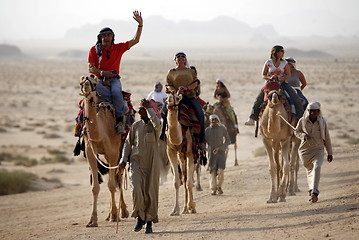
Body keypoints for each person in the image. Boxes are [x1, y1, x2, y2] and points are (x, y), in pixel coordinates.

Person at [88, 10, 143, 134]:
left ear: (112, 37)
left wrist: (140, 25)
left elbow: (135, 40)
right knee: (91, 90)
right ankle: (85, 125)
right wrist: (103, 73)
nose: (106, 38)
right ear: (100, 38)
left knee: (116, 92)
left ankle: (119, 120)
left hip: (114, 78)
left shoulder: (118, 48)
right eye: (104, 36)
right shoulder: (94, 50)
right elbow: (91, 68)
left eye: (109, 35)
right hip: (99, 78)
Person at [120, 98, 162, 234]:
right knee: (136, 190)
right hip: (136, 162)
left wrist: (149, 107)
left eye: (142, 109)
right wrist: (123, 159)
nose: (139, 111)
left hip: (151, 164)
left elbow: (157, 122)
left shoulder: (156, 127)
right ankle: (139, 217)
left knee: (150, 192)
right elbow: (128, 143)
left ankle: (149, 222)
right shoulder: (135, 126)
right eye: (140, 108)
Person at [244, 45, 304, 126]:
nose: (283, 53)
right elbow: (263, 75)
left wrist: (280, 79)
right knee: (258, 99)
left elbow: (288, 75)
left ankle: (300, 120)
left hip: (282, 84)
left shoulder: (284, 63)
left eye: (283, 51)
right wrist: (270, 77)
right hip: (270, 84)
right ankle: (252, 118)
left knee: (296, 98)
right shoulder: (268, 63)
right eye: (281, 51)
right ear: (276, 52)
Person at [294, 102, 333, 203]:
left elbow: (327, 138)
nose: (312, 113)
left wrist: (329, 152)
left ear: (318, 111)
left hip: (318, 149)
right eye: (310, 111)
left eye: (314, 111)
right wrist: (302, 135)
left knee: (317, 167)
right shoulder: (302, 121)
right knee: (310, 170)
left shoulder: (322, 122)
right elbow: (296, 131)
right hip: (305, 150)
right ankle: (311, 189)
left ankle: (314, 192)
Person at [165, 52, 205, 148]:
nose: (180, 58)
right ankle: (162, 136)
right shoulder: (171, 72)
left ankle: (201, 140)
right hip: (176, 97)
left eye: (183, 56)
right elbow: (168, 84)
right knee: (163, 112)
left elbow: (195, 83)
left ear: (185, 59)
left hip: (189, 96)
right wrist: (176, 91)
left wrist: (186, 88)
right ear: (175, 60)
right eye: (178, 57)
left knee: (200, 113)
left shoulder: (191, 71)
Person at [205, 114, 231, 195]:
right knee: (212, 171)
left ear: (218, 120)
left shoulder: (222, 128)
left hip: (221, 153)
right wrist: (205, 148)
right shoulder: (207, 130)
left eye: (215, 119)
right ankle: (213, 189)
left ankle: (219, 186)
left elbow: (228, 140)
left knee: (221, 171)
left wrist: (221, 148)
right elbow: (203, 141)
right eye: (212, 120)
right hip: (211, 154)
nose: (213, 121)